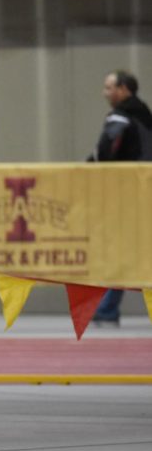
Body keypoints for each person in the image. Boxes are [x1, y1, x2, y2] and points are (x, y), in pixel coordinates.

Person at [88, 70, 152, 326]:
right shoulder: (146, 115)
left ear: (124, 89)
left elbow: (104, 153)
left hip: (128, 196)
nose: (105, 93)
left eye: (108, 88)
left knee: (120, 252)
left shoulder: (121, 116)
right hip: (145, 192)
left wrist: (87, 169)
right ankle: (107, 309)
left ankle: (106, 310)